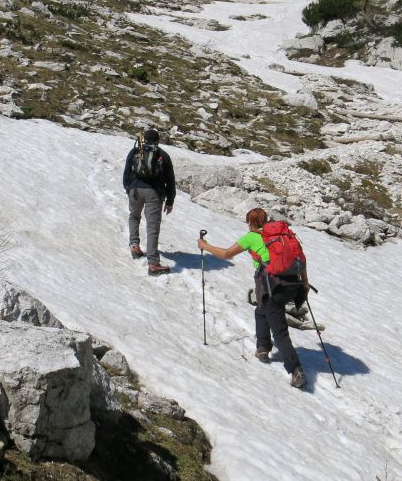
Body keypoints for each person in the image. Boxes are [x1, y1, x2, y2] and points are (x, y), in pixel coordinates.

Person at [197, 208, 308, 388]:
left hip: (273, 287)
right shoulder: (283, 236)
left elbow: (226, 254)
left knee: (279, 330)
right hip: (292, 285)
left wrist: (205, 246)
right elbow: (301, 259)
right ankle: (263, 348)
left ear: (250, 222)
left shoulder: (251, 237)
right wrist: (305, 284)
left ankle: (296, 370)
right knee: (261, 311)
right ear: (266, 221)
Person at [123, 128, 176, 276]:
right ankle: (153, 263)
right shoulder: (163, 155)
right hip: (154, 193)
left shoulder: (135, 152)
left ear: (144, 139)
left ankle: (134, 246)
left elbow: (126, 173)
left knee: (134, 216)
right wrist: (170, 200)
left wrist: (129, 189)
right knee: (152, 227)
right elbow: (170, 180)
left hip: (135, 190)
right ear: (158, 140)